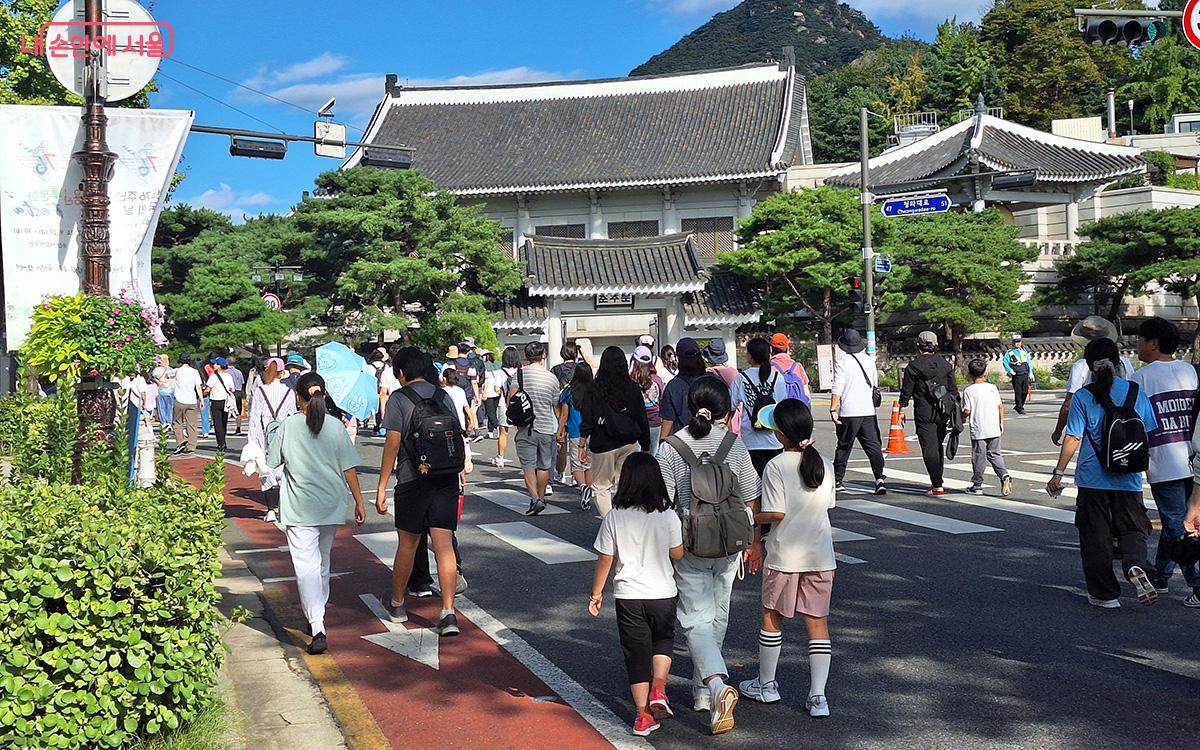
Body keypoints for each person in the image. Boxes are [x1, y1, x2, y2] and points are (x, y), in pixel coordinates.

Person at [656, 376, 760, 735]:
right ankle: (703, 691)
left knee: (694, 618)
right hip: (731, 543)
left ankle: (714, 686)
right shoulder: (734, 444)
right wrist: (753, 541)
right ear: (725, 411)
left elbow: (662, 501)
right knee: (719, 612)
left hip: (690, 542)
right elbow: (750, 496)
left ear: (689, 408)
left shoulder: (672, 447)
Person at [739, 399, 835, 718]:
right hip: (821, 555)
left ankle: (766, 684)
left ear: (780, 435)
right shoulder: (824, 462)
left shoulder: (776, 466)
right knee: (817, 623)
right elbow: (827, 505)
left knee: (771, 616)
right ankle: (818, 696)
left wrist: (752, 517)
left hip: (784, 555)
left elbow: (776, 513)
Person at [1046, 338, 1159, 609]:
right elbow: (1149, 433)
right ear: (1118, 362)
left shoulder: (1084, 396)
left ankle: (1105, 594)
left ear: (1088, 366)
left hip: (1092, 478)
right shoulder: (1134, 392)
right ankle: (1135, 564)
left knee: (1095, 534)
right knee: (1133, 528)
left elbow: (1073, 438)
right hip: (1129, 477)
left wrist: (1058, 474)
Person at [266, 372, 367, 655]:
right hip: (331, 504)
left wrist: (272, 433)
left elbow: (273, 461)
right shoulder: (335, 426)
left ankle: (317, 624)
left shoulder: (288, 426)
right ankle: (317, 615)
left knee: (306, 566)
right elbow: (349, 468)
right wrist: (360, 502)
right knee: (322, 562)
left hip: (299, 506)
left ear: (299, 397)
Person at [589, 451, 685, 737]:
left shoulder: (614, 517)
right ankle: (659, 687)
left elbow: (605, 558)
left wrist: (596, 593)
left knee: (636, 654)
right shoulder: (667, 515)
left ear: (625, 481)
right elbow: (677, 554)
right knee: (663, 640)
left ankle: (642, 716)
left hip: (628, 594)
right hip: (663, 592)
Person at [376, 348, 465, 634]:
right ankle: (448, 612)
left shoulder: (399, 399)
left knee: (408, 544)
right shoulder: (444, 396)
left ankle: (398, 604)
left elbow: (392, 443)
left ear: (401, 373)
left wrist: (381, 487)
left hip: (412, 479)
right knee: (444, 544)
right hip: (446, 479)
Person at [1130, 317, 1199, 605]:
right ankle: (1161, 574)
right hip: (1194, 459)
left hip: (1164, 461)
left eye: (1141, 339)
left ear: (1153, 343)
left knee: (1176, 525)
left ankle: (1196, 583)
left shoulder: (1141, 379)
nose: (1138, 345)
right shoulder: (1191, 372)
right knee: (1179, 523)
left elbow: (1134, 423)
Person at [582, 347, 651, 516]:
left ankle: (609, 522)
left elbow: (587, 418)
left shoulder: (594, 388)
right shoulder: (633, 388)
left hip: (602, 443)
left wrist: (582, 443)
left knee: (601, 486)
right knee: (625, 485)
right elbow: (641, 417)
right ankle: (625, 521)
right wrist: (645, 443)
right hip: (628, 442)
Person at [1052, 316, 1136, 446]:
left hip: (1094, 436)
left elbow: (1068, 404)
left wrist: (1058, 431)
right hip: (1126, 433)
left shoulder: (1081, 366)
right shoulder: (1125, 363)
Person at [899, 331, 957, 496]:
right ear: (935, 346)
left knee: (929, 447)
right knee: (938, 445)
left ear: (918, 346)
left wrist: (901, 410)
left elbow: (906, 391)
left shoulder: (913, 367)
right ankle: (938, 480)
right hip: (943, 410)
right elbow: (953, 390)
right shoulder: (945, 365)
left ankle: (937, 483)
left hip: (924, 410)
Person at [507, 342, 562, 516]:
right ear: (543, 355)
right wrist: (561, 428)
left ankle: (534, 499)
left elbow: (512, 397)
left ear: (527, 356)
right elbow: (556, 406)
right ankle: (541, 497)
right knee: (544, 466)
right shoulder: (551, 377)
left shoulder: (520, 374)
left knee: (528, 466)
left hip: (526, 427)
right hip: (546, 427)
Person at [829, 330, 887, 494]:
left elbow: (837, 387)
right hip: (868, 410)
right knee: (873, 446)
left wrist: (833, 408)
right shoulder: (869, 361)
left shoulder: (842, 362)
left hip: (848, 411)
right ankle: (879, 479)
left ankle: (838, 480)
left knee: (844, 446)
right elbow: (874, 383)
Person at [731, 337, 790, 476]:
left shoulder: (741, 378)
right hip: (775, 440)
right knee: (774, 483)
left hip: (750, 441)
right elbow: (783, 405)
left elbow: (731, 406)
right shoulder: (777, 377)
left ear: (750, 357)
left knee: (753, 487)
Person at [249, 358, 295, 523]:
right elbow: (292, 415)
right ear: (282, 373)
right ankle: (283, 509)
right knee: (284, 469)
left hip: (264, 434)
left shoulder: (260, 392)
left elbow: (254, 418)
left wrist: (253, 441)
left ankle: (270, 510)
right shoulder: (289, 392)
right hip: (284, 434)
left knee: (265, 470)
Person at [962, 359, 1013, 497]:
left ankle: (977, 484)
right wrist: (1001, 422)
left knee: (979, 456)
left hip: (979, 428)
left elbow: (967, 410)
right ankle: (1004, 474)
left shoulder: (968, 391)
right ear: (985, 372)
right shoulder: (992, 387)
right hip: (993, 426)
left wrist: (961, 419)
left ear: (970, 374)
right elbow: (1000, 406)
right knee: (995, 454)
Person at [557, 363, 595, 511]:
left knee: (577, 464)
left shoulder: (569, 392)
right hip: (592, 432)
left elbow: (564, 414)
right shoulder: (595, 390)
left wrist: (560, 430)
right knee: (589, 464)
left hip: (575, 432)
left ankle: (583, 487)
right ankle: (589, 491)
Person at [660, 338, 707, 437]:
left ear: (679, 359)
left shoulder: (673, 386)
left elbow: (668, 420)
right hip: (712, 441)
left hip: (682, 443)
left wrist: (662, 442)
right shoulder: (712, 382)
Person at [490, 347, 521, 468]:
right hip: (520, 405)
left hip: (505, 404)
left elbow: (497, 389)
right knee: (522, 432)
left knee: (503, 433)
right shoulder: (521, 371)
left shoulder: (500, 372)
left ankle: (500, 457)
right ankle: (524, 458)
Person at [631, 347, 666, 453]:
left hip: (636, 423)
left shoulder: (631, 381)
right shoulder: (657, 380)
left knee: (637, 456)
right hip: (655, 421)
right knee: (654, 454)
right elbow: (661, 400)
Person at [171, 353, 204, 455]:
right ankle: (191, 446)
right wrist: (201, 399)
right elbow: (198, 386)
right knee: (192, 424)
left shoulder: (176, 371)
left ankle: (181, 441)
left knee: (177, 422)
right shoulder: (194, 372)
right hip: (192, 400)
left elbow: (167, 377)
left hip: (179, 400)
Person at [769, 333, 812, 407]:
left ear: (770, 349)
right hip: (796, 410)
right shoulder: (797, 366)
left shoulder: (768, 367)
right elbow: (806, 392)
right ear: (787, 348)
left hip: (776, 410)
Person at [205, 357, 236, 453]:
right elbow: (233, 389)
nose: (213, 366)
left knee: (217, 424)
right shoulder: (228, 376)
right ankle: (223, 441)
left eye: (215, 364)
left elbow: (207, 389)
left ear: (220, 366)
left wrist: (202, 394)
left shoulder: (213, 377)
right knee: (224, 422)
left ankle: (221, 443)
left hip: (216, 401)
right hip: (226, 402)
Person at [1001, 334, 1034, 415]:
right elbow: (1005, 362)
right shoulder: (1010, 352)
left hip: (1025, 372)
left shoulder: (1024, 351)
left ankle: (1019, 405)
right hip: (1017, 373)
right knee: (1018, 391)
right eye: (1016, 342)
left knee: (1025, 391)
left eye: (1019, 342)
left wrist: (1031, 372)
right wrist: (1010, 371)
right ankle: (1020, 407)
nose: (1018, 343)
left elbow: (1028, 362)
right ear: (1013, 343)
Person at [152, 354, 175, 428]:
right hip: (171, 390)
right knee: (170, 406)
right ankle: (169, 422)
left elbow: (153, 377)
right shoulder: (171, 370)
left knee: (161, 407)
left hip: (161, 390)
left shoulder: (157, 370)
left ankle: (163, 422)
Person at [227, 355, 246, 436]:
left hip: (229, 392)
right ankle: (238, 428)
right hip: (238, 392)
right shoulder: (239, 372)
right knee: (238, 411)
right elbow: (242, 382)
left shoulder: (226, 372)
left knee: (227, 410)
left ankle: (224, 427)